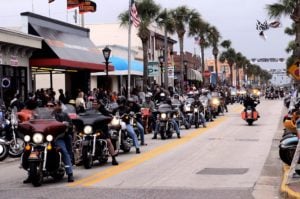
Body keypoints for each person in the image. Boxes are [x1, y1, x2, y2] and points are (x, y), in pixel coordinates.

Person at [52, 101, 74, 182]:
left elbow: (70, 124)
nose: (52, 106)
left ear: (59, 106)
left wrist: (66, 125)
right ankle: (31, 173)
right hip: (45, 138)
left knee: (64, 151)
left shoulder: (64, 115)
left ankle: (70, 173)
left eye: (54, 105)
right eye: (49, 105)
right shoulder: (46, 115)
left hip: (58, 137)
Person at [96, 100, 119, 165]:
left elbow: (110, 116)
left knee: (108, 141)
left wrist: (108, 118)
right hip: (93, 129)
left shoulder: (103, 111)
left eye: (95, 103)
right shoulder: (90, 111)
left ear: (99, 104)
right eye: (93, 104)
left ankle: (113, 158)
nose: (94, 105)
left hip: (102, 129)